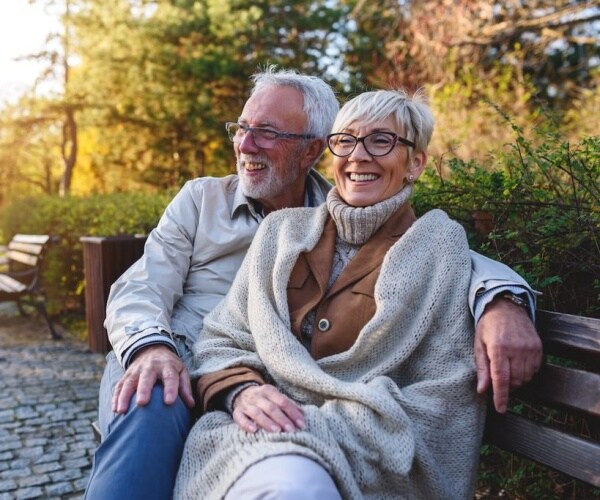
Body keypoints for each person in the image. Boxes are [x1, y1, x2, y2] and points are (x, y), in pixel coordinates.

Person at [85, 68, 541, 499]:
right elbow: (141, 288)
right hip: (179, 357)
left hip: (270, 396)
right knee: (150, 399)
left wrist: (503, 300)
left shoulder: (345, 209)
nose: (246, 143)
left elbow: (441, 253)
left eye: (268, 132)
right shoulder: (207, 201)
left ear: (310, 150)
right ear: (335, 148)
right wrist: (152, 349)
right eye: (241, 128)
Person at [175, 88, 494, 498]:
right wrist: (243, 390)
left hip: (364, 450)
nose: (359, 155)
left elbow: (445, 392)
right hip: (251, 436)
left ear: (415, 163)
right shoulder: (280, 232)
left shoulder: (439, 246)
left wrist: (312, 425)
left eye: (382, 140)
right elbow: (223, 337)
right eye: (345, 140)